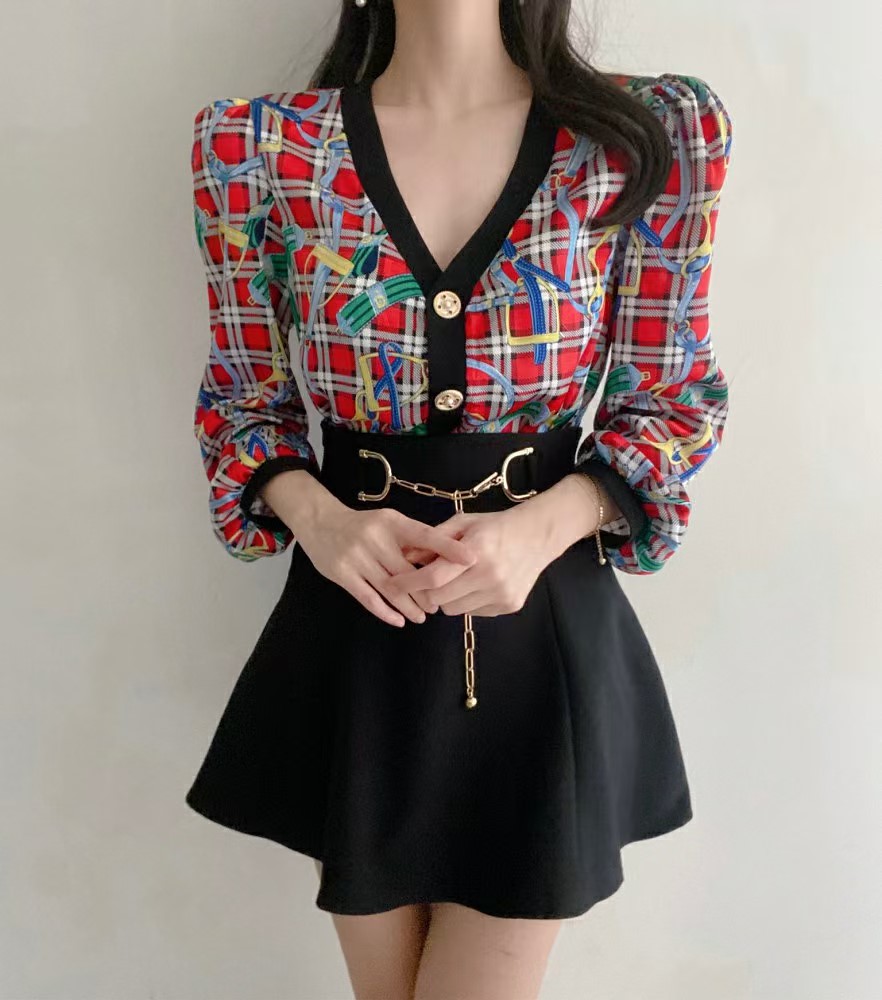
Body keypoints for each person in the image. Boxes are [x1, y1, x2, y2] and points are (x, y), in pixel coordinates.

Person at [184, 0, 734, 996]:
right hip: (354, 639)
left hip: (539, 639)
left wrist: (542, 527)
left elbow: (671, 400)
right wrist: (321, 518)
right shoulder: (261, 150)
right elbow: (243, 403)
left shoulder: (640, 138)